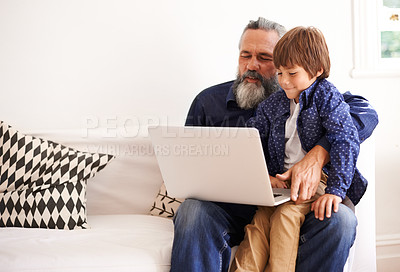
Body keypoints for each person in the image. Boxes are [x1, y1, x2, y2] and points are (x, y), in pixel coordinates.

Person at [170, 17, 378, 272]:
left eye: (264, 58)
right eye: (245, 55)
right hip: (230, 210)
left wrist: (319, 153)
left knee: (339, 220)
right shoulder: (209, 101)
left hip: (297, 198)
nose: (252, 65)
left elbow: (364, 116)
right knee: (192, 211)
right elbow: (193, 167)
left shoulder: (320, 94)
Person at [230, 26, 368, 272]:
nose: (283, 81)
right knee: (259, 223)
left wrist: (335, 191)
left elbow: (345, 138)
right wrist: (264, 177)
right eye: (280, 72)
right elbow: (252, 141)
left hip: (318, 181)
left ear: (317, 70)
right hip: (282, 185)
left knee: (286, 218)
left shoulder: (327, 96)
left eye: (292, 73)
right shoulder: (273, 103)